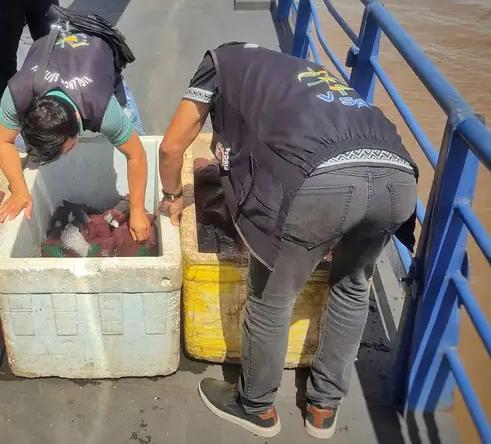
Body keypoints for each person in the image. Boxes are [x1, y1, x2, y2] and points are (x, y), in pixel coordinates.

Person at [157, 42, 418, 440]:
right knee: (352, 287)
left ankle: (255, 407)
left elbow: (172, 146)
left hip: (323, 184)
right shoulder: (305, 73)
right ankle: (323, 409)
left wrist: (174, 197)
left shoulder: (217, 62)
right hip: (399, 178)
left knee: (272, 297)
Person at [0, 27, 151, 242]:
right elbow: (2, 141)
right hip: (51, 56)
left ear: (76, 128)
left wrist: (138, 211)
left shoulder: (104, 110)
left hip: (96, 64)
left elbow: (136, 155)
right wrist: (19, 189)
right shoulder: (18, 93)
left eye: (64, 150)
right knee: (19, 147)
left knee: (138, 138)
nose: (64, 157)